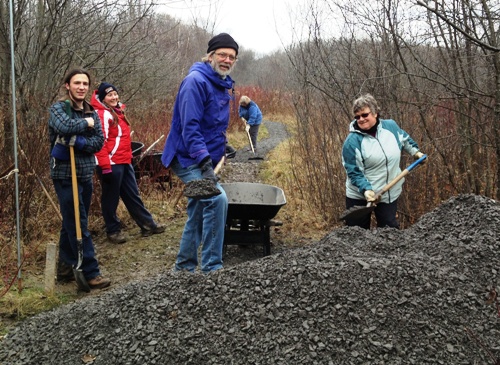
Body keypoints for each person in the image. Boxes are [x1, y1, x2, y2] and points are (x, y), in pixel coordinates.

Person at [161, 33, 238, 273]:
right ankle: (212, 268)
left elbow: (212, 124)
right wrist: (205, 162)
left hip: (202, 156)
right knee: (216, 199)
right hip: (187, 157)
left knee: (198, 208)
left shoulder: (221, 84)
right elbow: (190, 127)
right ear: (211, 55)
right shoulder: (196, 81)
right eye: (222, 54)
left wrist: (222, 145)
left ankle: (183, 267)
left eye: (232, 57)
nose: (227, 60)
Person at [48, 68, 111, 290]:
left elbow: (99, 142)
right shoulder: (58, 109)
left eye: (85, 83)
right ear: (68, 85)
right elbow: (63, 127)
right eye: (77, 83)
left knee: (71, 220)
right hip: (65, 174)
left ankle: (65, 269)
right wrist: (85, 125)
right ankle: (91, 272)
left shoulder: (92, 111)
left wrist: (79, 142)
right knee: (78, 222)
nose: (81, 87)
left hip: (84, 172)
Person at [91, 82, 166, 244]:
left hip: (124, 160)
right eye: (110, 95)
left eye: (115, 94)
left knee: (132, 195)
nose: (114, 97)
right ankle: (113, 231)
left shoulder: (117, 111)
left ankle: (147, 225)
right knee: (110, 198)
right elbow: (100, 142)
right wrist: (105, 166)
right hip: (110, 163)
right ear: (103, 98)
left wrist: (128, 158)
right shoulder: (102, 114)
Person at [342, 93, 426, 229]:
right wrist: (366, 190)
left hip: (388, 193)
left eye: (365, 115)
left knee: (389, 231)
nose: (361, 119)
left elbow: (404, 139)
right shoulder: (352, 142)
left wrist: (416, 152)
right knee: (357, 236)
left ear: (375, 113)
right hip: (360, 196)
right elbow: (354, 171)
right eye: (357, 117)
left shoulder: (390, 127)